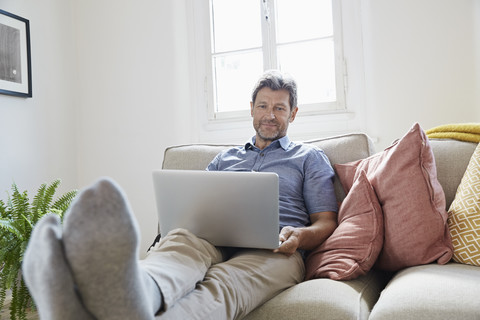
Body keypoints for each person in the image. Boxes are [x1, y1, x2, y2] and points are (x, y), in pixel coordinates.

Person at [22, 70, 339, 320]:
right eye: (263, 106)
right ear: (251, 109)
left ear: (293, 114)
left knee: (225, 285)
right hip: (210, 239)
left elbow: (326, 221)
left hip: (275, 251)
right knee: (176, 249)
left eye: (279, 108)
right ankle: (137, 292)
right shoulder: (224, 159)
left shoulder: (308, 157)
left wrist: (299, 236)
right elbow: (196, 205)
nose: (270, 115)